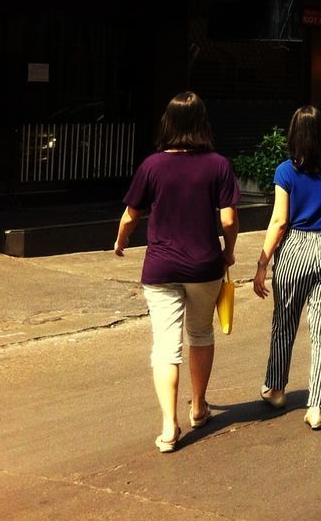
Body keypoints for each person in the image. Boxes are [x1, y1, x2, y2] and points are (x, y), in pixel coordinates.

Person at [114, 92, 239, 453]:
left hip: (161, 267)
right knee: (200, 333)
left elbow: (130, 216)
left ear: (167, 123)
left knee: (165, 346)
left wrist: (121, 242)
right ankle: (199, 407)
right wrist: (228, 252)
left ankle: (170, 427)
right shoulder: (218, 164)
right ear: (202, 122)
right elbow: (228, 219)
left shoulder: (152, 165)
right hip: (205, 265)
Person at [253, 106, 321, 431]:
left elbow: (279, 221)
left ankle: (276, 390)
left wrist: (262, 263)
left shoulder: (286, 171)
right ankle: (316, 407)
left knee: (285, 322)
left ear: (294, 134)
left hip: (295, 247)